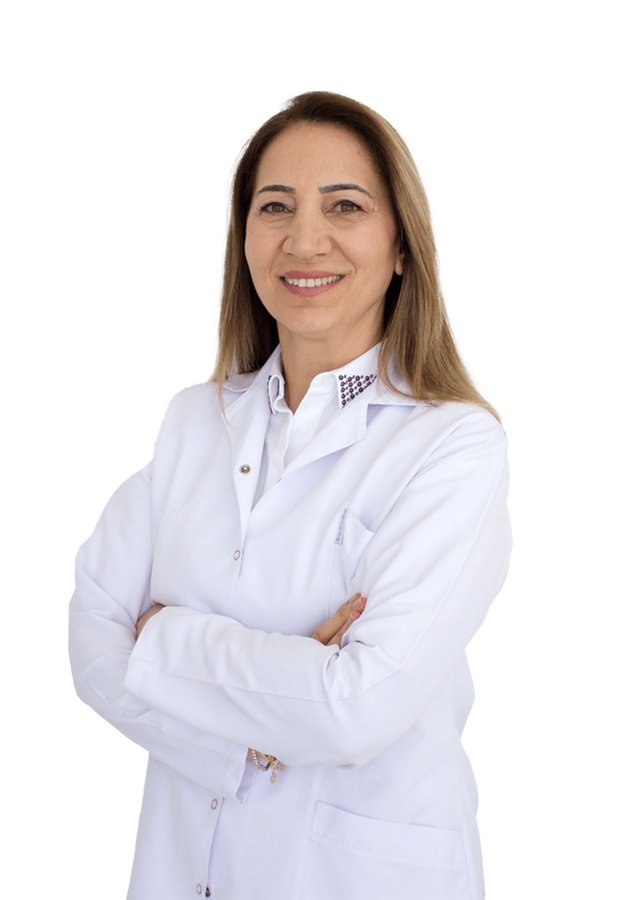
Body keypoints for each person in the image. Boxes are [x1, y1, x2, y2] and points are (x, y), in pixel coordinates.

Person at [69, 91, 512, 900]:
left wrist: (164, 638)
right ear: (244, 239)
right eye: (275, 206)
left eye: (345, 205)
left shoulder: (452, 446)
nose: (304, 240)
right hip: (183, 870)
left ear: (401, 246)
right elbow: (94, 641)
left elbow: (358, 708)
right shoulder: (193, 422)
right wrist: (247, 739)